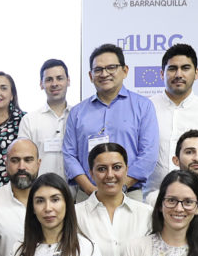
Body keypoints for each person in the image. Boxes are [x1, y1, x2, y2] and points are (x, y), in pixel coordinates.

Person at [65, 44, 159, 197]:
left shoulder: (143, 106)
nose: (104, 74)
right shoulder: (77, 112)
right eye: (98, 70)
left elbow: (149, 153)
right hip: (87, 195)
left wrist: (122, 186)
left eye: (111, 68)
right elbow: (69, 155)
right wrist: (90, 189)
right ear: (90, 75)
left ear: (125, 70)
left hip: (129, 193)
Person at [148, 44, 198, 191]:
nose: (178, 74)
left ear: (196, 73)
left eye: (185, 68)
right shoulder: (147, 108)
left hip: (197, 195)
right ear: (162, 74)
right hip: (153, 194)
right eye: (172, 69)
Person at [18, 59, 71, 179]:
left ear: (68, 81)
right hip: (40, 188)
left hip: (75, 189)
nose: (54, 84)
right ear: (41, 84)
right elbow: (23, 159)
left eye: (59, 78)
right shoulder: (29, 120)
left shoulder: (78, 116)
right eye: (49, 79)